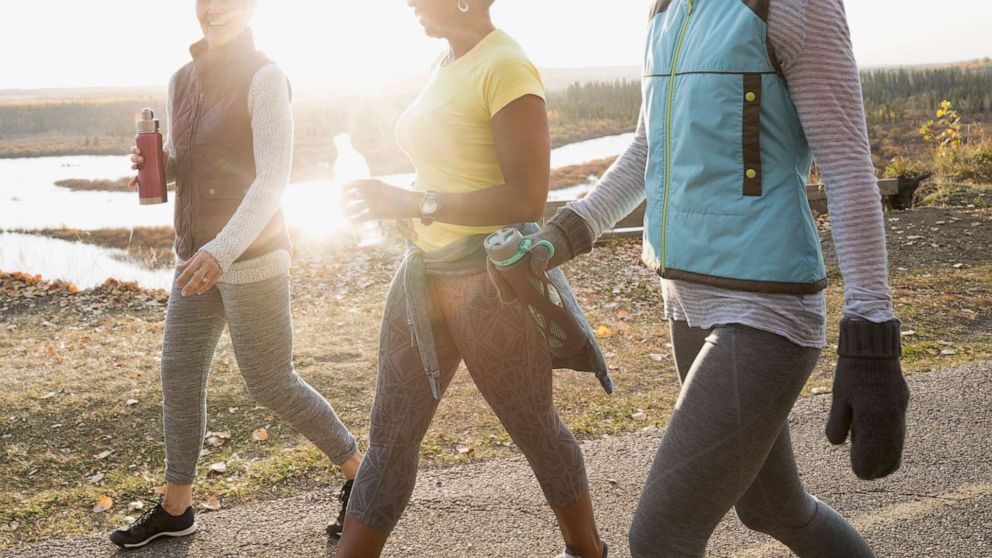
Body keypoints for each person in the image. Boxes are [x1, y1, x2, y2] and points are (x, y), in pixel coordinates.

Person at [501, 0, 910, 556]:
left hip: (767, 306)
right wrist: (564, 234)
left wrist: (871, 332)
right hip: (687, 301)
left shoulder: (793, 6)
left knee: (659, 538)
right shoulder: (666, 10)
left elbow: (846, 162)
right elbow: (648, 147)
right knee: (773, 509)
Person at [333, 1, 610, 556]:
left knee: (534, 427)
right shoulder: (446, 61)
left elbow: (527, 196)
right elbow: (449, 166)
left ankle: (588, 553)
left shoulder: (506, 65)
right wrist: (407, 204)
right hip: (422, 276)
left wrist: (416, 200)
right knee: (390, 437)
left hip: (489, 282)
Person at [111, 0, 362, 548]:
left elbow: (272, 178)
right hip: (194, 257)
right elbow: (198, 160)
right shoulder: (181, 79)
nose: (214, 9)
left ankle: (357, 472)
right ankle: (176, 508)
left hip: (252, 260)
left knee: (271, 383)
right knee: (179, 374)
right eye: (206, 0)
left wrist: (222, 252)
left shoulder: (266, 77)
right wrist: (161, 167)